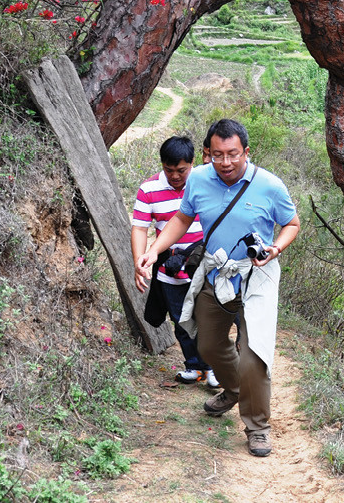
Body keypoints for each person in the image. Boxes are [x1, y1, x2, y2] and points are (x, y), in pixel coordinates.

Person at [136, 119, 300, 458]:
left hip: (258, 276)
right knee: (207, 344)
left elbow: (292, 224)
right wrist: (153, 249)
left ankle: (257, 427)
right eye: (217, 155)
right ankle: (236, 388)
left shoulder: (269, 185)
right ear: (208, 153)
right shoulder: (198, 179)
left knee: (254, 355)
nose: (225, 162)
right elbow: (182, 219)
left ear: (246, 152)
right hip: (216, 273)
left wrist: (276, 248)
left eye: (233, 154)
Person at [130, 136, 218, 389]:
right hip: (171, 269)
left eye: (182, 170)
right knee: (181, 320)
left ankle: (213, 368)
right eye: (169, 170)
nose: (176, 176)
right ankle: (194, 366)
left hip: (206, 267)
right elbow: (139, 228)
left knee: (208, 318)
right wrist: (140, 262)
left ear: (192, 164)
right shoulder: (149, 189)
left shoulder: (205, 184)